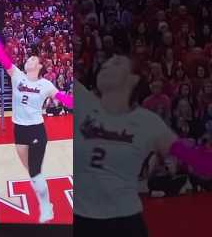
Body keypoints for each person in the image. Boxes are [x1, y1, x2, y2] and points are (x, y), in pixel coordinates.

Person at [74, 54, 212, 237]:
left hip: (124, 223)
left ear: (133, 79)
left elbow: (196, 160)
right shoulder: (82, 102)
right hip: (82, 221)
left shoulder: (147, 122)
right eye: (105, 63)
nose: (106, 65)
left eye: (116, 63)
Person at [0, 19, 73, 223]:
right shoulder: (17, 75)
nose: (29, 60)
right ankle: (44, 198)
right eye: (30, 58)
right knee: (32, 172)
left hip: (36, 130)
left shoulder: (46, 84)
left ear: (39, 65)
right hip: (19, 131)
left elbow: (65, 100)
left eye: (33, 59)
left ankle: (46, 207)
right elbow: (0, 54)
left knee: (34, 171)